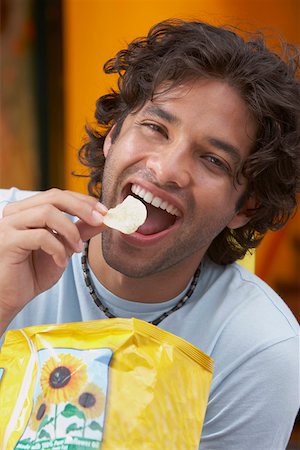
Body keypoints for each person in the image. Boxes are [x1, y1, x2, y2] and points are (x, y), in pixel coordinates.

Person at [0, 18, 299, 449]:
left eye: (213, 160)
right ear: (114, 135)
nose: (166, 169)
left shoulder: (256, 347)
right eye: (155, 128)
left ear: (247, 206)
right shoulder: (8, 230)